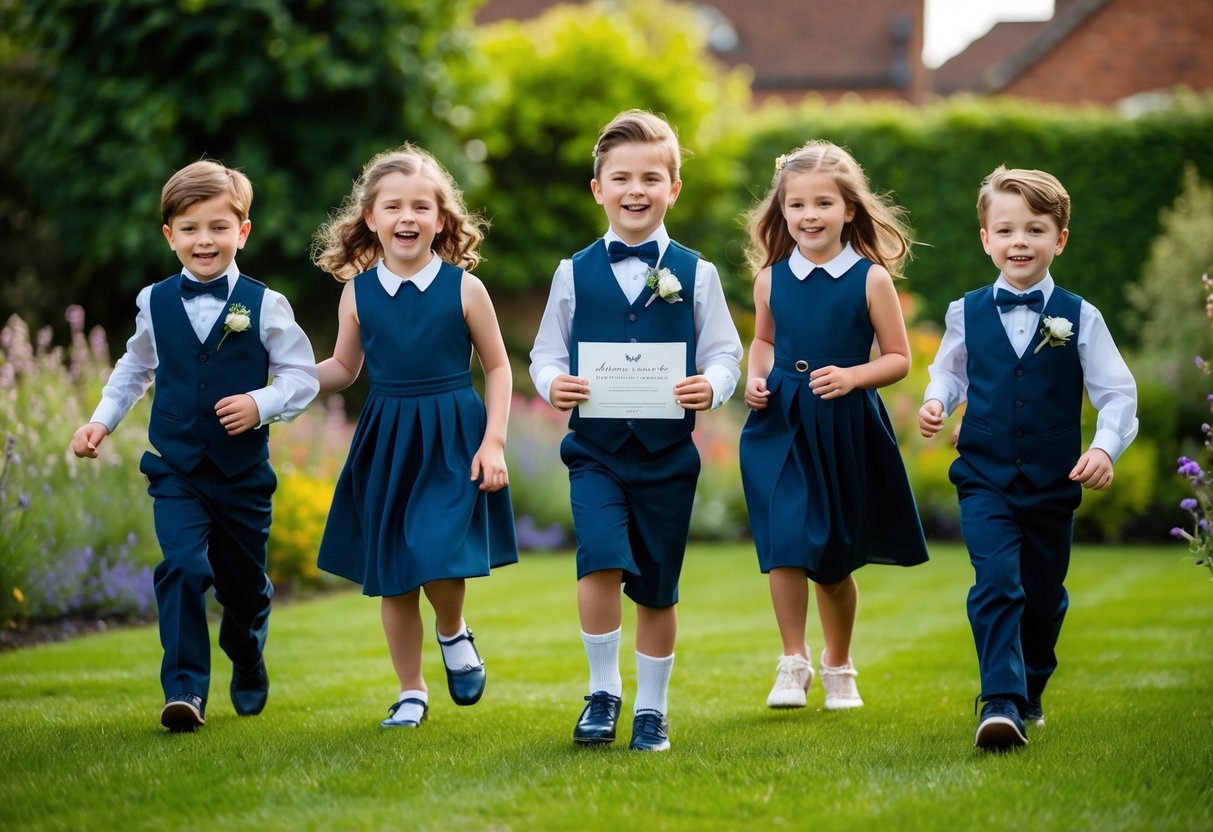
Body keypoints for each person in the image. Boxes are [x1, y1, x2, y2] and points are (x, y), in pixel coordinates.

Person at [71, 159, 319, 732]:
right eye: (189, 228)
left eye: (217, 227)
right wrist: (101, 420)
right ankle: (185, 691)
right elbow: (136, 365)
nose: (203, 240)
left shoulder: (266, 304)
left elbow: (301, 377)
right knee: (181, 567)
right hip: (177, 468)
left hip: (242, 477)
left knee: (245, 590)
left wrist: (261, 402)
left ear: (243, 231)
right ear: (169, 236)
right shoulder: (154, 301)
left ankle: (247, 648)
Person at [529, 109, 743, 751]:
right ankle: (603, 692)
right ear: (598, 189)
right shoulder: (573, 271)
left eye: (652, 177)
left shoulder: (697, 273)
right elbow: (544, 353)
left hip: (667, 454)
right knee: (598, 561)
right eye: (621, 177)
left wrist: (712, 385)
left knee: (656, 584)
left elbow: (725, 352)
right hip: (594, 450)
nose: (636, 190)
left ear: (673, 187)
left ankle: (652, 709)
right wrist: (551, 383)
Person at [919, 166, 1138, 750]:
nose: (1020, 242)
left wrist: (1103, 447)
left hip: (1051, 481)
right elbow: (949, 370)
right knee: (996, 583)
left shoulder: (1080, 316)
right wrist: (937, 400)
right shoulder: (965, 311)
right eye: (1006, 230)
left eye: (1035, 230)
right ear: (986, 238)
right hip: (984, 476)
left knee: (1042, 597)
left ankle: (1032, 682)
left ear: (1059, 239)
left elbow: (1118, 392)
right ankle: (1001, 702)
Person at [312, 144, 517, 729]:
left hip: (453, 434)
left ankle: (452, 631)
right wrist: (287, 379)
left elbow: (499, 368)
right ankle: (411, 691)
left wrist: (495, 441)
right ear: (370, 218)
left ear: (441, 220)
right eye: (393, 206)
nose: (407, 218)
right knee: (394, 572)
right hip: (388, 439)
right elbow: (343, 369)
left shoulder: (465, 290)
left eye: (420, 207)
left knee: (436, 547)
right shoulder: (358, 292)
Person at [739, 141, 929, 713]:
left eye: (823, 203)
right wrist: (755, 376)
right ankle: (792, 662)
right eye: (797, 205)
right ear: (783, 212)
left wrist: (852, 377)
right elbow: (765, 340)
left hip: (844, 424)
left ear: (849, 209)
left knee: (833, 560)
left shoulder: (870, 280)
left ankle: (838, 664)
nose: (809, 215)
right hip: (781, 421)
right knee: (785, 542)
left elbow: (899, 358)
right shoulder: (770, 279)